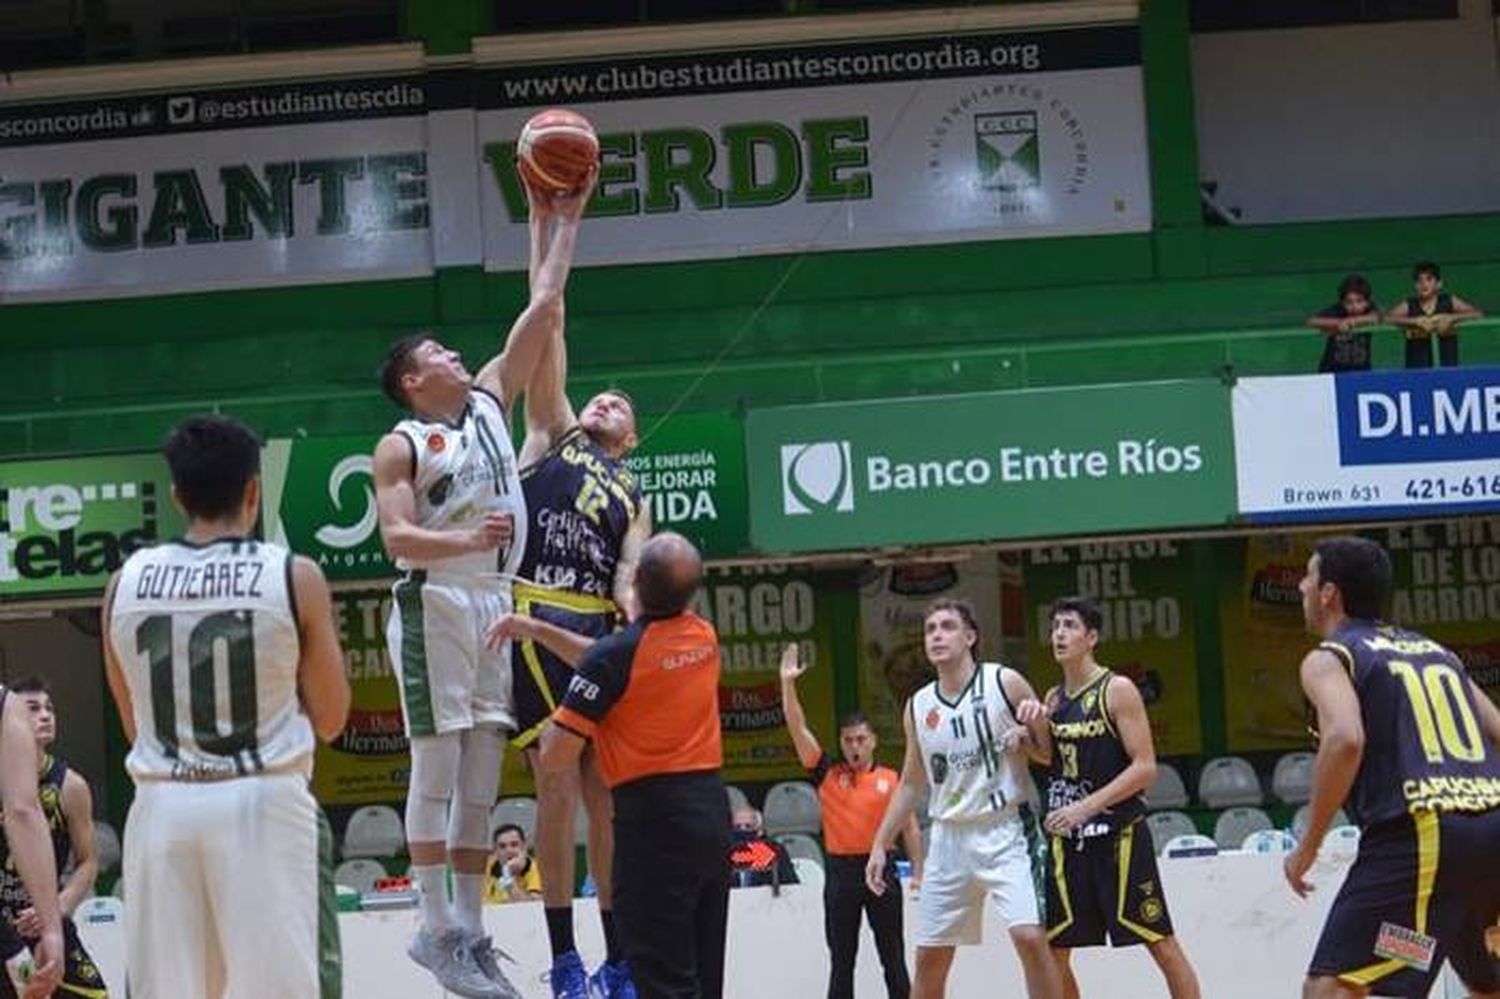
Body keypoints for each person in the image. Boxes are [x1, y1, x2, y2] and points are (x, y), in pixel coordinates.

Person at [373, 178, 585, 999]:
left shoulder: (492, 404)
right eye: (439, 355)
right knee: (435, 769)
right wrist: (468, 536)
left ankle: (469, 930)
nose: (458, 357)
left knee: (482, 773)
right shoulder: (402, 443)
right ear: (413, 380)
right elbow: (396, 539)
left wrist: (565, 219)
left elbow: (544, 306)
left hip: (497, 602)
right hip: (435, 600)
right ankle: (431, 927)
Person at [101, 415, 350, 999]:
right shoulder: (294, 576)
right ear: (253, 490)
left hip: (162, 807)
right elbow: (334, 718)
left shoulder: (123, 583)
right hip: (264, 800)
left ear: (177, 495)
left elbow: (133, 722)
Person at [510, 173, 646, 999]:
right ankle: (564, 957)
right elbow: (545, 312)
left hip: (596, 632)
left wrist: (634, 614)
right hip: (534, 621)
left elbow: (632, 571)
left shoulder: (632, 492)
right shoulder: (549, 430)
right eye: (600, 392)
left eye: (619, 403)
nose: (603, 399)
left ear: (630, 438)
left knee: (609, 801)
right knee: (554, 789)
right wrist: (551, 219)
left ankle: (619, 956)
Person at [492, 533, 730, 999]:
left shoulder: (613, 660)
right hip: (710, 814)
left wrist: (572, 709)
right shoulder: (703, 637)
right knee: (704, 976)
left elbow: (558, 754)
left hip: (652, 825)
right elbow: (611, 658)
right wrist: (538, 630)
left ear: (636, 582)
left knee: (660, 980)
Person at [1287, 536, 1500, 999]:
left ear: (1328, 593)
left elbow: (1345, 739)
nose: (1301, 585)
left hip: (1422, 834)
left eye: (1308, 574)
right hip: (1486, 838)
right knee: (1484, 980)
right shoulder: (1438, 653)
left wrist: (1308, 846)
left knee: (1330, 988)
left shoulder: (1330, 657)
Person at [866, 599, 1060, 999]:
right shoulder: (918, 705)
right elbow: (910, 782)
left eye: (947, 626)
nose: (936, 635)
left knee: (1029, 937)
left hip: (1007, 829)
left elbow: (1047, 754)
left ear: (970, 637)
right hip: (949, 837)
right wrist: (880, 843)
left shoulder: (1004, 682)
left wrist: (1035, 727)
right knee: (929, 958)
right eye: (930, 629)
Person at [1038, 596, 1200, 999]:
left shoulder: (1118, 690)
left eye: (1070, 625)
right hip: (1070, 843)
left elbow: (1145, 767)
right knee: (1054, 952)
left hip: (1119, 836)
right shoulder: (1053, 698)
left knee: (1160, 943)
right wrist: (1022, 738)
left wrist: (1086, 807)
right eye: (1055, 625)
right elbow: (1048, 757)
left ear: (1091, 637)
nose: (1059, 632)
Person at [781, 643, 919, 999]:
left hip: (883, 871)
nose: (855, 746)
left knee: (894, 960)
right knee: (842, 962)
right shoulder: (826, 772)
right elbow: (797, 728)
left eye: (861, 739)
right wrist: (787, 684)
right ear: (841, 743)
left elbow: (910, 827)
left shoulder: (891, 778)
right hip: (841, 873)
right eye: (848, 740)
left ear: (873, 740)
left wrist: (919, 871)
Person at [0, 679, 107, 999]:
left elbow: (89, 861)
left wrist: (57, 907)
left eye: (50, 708)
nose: (45, 716)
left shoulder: (70, 785)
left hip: (45, 915)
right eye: (33, 708)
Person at [1385, 261, 1482, 368]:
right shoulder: (1410, 304)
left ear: (1439, 284)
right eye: (1419, 281)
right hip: (1417, 368)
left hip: (1446, 366)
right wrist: (1415, 321)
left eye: (1429, 279)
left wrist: (1451, 318)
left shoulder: (1448, 300)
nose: (1423, 284)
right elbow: (1386, 318)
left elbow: (1477, 313)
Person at [1306, 274, 1379, 373]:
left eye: (1359, 301)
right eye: (1349, 302)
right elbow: (1311, 321)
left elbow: (1378, 317)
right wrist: (1338, 323)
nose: (1354, 306)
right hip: (1332, 370)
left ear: (1367, 302)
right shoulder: (1337, 310)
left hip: (1361, 370)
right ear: (1342, 302)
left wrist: (1353, 322)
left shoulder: (1370, 310)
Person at [727, 807, 798, 889]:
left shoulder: (775, 851)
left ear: (760, 831)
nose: (743, 831)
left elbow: (792, 887)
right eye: (737, 827)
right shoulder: (723, 854)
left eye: (748, 826)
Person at [485, 824, 542, 904]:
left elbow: (532, 906)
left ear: (524, 847)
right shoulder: (487, 866)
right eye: (502, 846)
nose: (508, 850)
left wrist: (508, 876)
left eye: (514, 845)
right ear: (496, 851)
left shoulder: (533, 868)